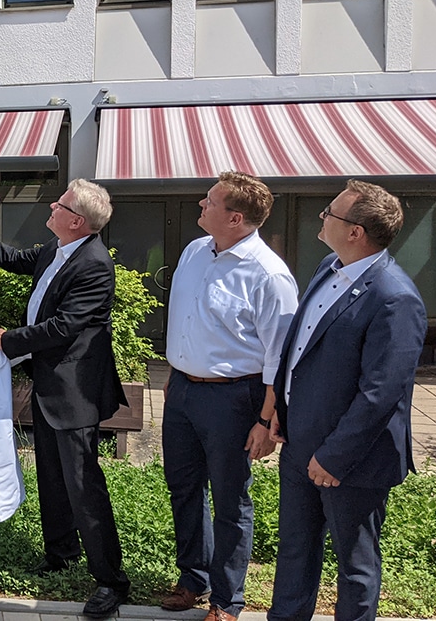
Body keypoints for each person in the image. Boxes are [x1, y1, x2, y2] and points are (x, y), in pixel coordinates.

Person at [0, 178, 130, 619]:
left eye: (61, 203)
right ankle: (61, 551)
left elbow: (63, 328)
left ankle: (111, 581)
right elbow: (14, 259)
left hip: (74, 392)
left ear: (77, 220)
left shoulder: (93, 264)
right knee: (51, 474)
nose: (52, 204)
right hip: (50, 385)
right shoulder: (56, 248)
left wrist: (7, 340)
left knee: (83, 484)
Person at [267, 180, 426, 621]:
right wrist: (281, 411)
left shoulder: (395, 298)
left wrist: (334, 457)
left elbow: (381, 393)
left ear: (356, 231)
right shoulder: (328, 266)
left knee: (355, 567)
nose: (321, 217)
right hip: (301, 443)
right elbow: (298, 347)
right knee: (295, 553)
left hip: (351, 462)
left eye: (330, 213)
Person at [160, 173, 299, 621]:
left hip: (235, 398)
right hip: (182, 390)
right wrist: (178, 372)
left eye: (211, 201)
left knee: (230, 498)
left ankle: (226, 600)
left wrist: (265, 421)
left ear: (235, 218)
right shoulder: (194, 251)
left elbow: (282, 357)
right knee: (183, 487)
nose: (201, 203)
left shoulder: (268, 275)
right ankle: (193, 579)